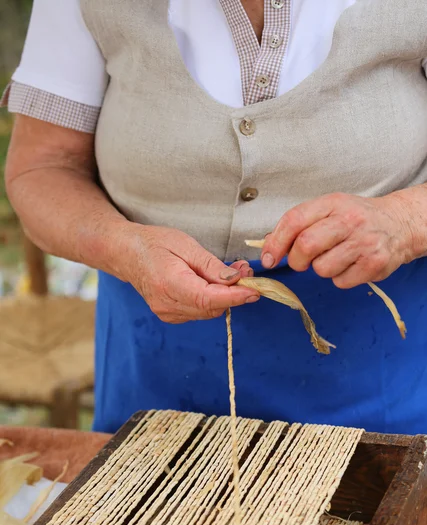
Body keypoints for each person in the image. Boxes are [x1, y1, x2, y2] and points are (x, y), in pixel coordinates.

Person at [2, 0, 427, 435]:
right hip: (155, 386)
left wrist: (405, 222)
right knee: (152, 496)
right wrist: (124, 247)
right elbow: (43, 168)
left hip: (382, 380)